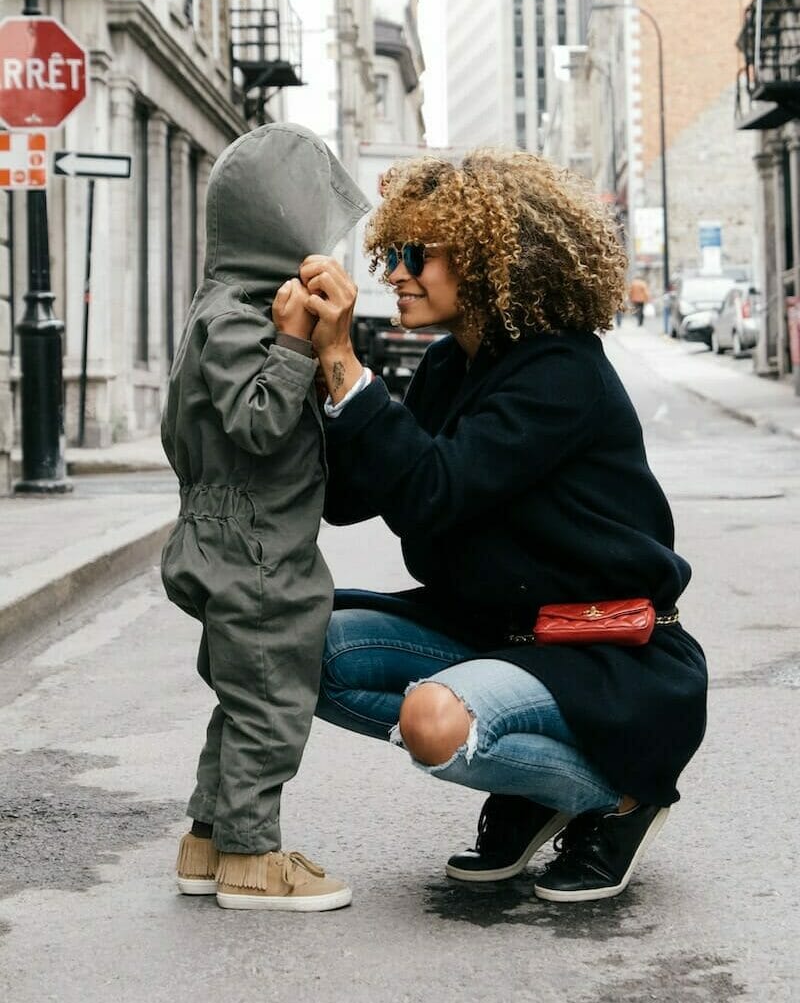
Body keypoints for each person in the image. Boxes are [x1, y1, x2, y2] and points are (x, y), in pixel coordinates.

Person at [297, 149, 707, 903]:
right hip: (491, 632)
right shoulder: (452, 366)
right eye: (391, 253)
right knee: (298, 652)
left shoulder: (562, 373)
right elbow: (353, 493)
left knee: (434, 721)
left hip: (603, 654)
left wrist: (349, 369)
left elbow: (431, 492)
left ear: (487, 257)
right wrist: (310, 361)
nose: (393, 273)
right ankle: (535, 785)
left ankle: (615, 796)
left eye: (416, 254)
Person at [160, 123, 369, 911]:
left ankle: (208, 839)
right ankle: (253, 857)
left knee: (241, 698)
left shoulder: (217, 306)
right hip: (257, 548)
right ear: (280, 223)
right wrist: (293, 345)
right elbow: (257, 423)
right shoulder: (247, 318)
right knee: (274, 702)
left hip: (224, 534)